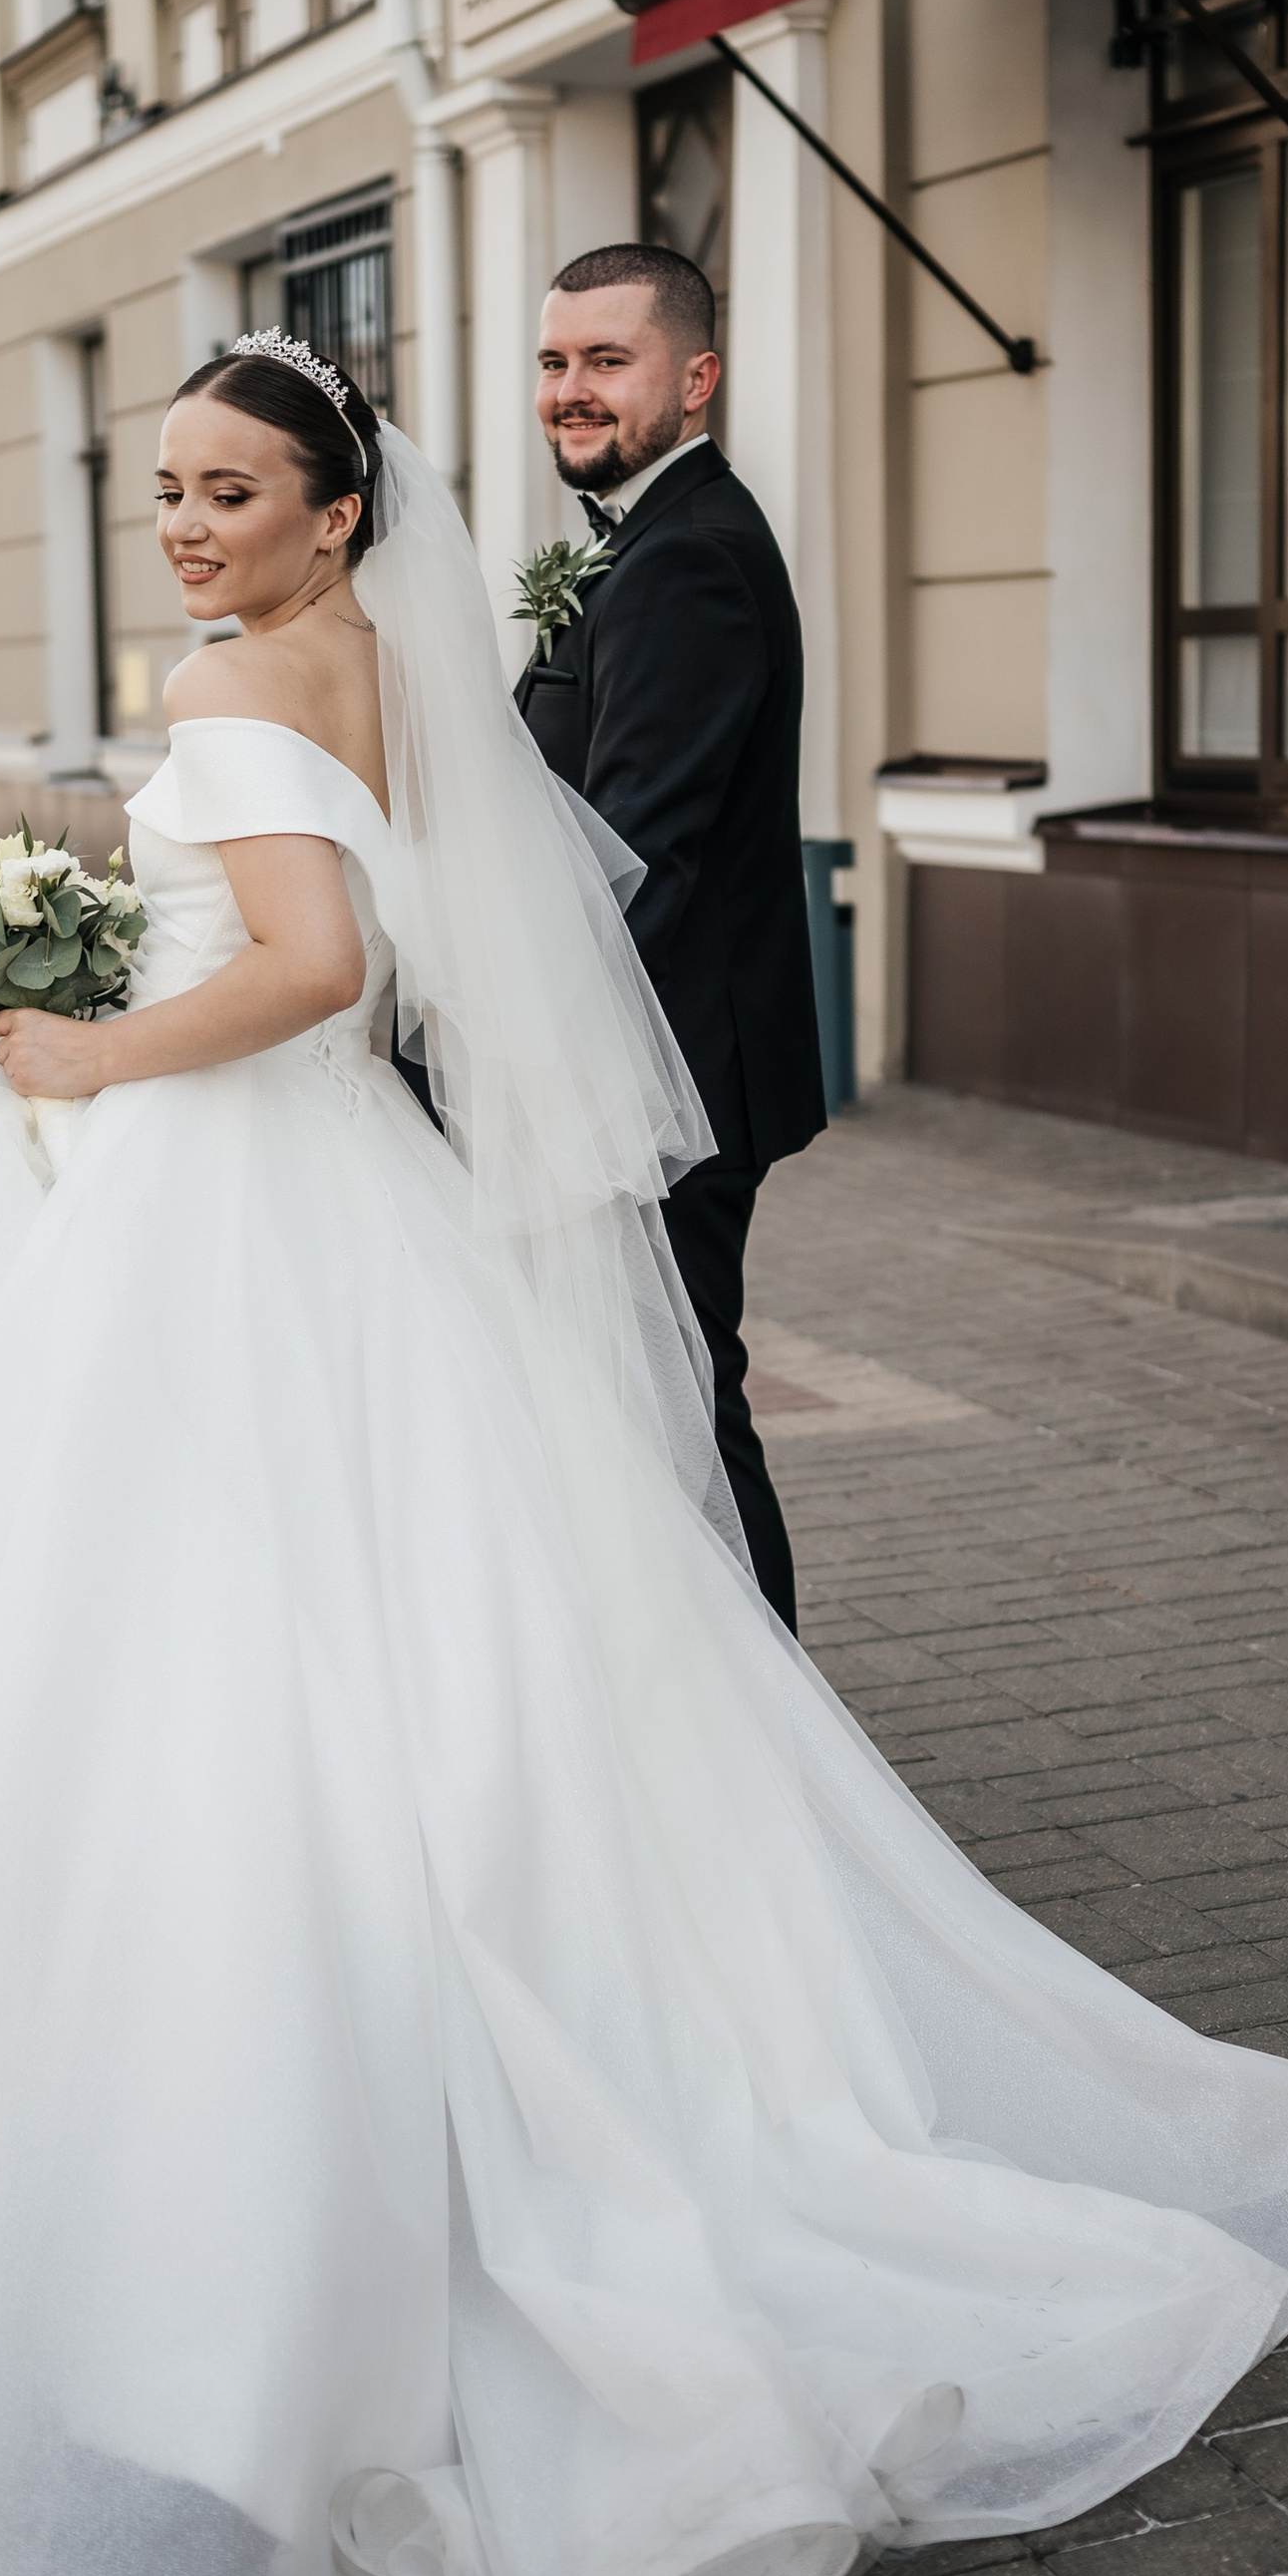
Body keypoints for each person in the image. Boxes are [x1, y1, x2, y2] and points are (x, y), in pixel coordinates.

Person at [0, 341, 1288, 2576]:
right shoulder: (384, 666)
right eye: (159, 488)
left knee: (165, 1659)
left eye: (226, 488)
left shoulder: (240, 683)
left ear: (332, 509)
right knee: (399, 1662)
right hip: (336, 1213)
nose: (180, 524)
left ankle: (201, 2231)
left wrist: (70, 1049)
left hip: (227, 1200)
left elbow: (309, 972)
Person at [517, 245, 821, 1627]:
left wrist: (511, 1044)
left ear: (694, 379)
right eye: (554, 361)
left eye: (605, 361)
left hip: (669, 1072)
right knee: (660, 1388)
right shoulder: (641, 539)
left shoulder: (686, 558)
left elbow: (639, 857)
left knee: (685, 1396)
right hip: (656, 1059)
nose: (570, 392)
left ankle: (771, 1730)